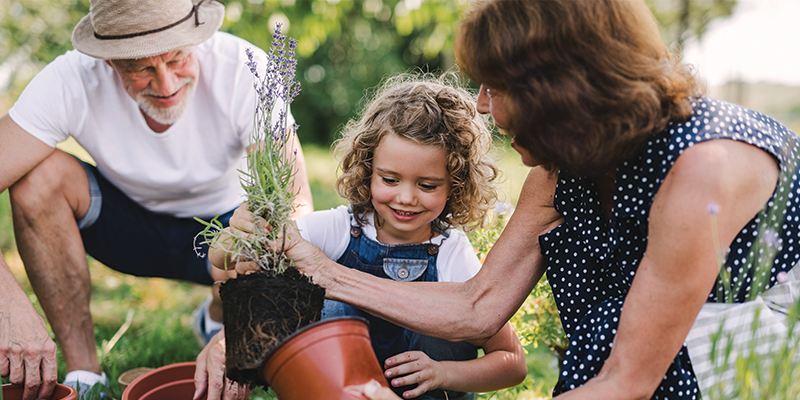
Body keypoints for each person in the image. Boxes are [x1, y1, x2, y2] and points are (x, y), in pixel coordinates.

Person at [214, 1, 800, 399]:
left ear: (559, 91)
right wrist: (254, 318)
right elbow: (478, 305)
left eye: (497, 86)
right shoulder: (566, 159)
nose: (483, 106)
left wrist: (325, 275)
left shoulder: (701, 171)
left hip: (759, 340)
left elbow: (627, 380)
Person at [0, 0, 313, 398]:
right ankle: (86, 373)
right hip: (126, 227)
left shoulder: (243, 68)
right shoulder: (71, 78)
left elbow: (297, 206)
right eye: (141, 68)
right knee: (36, 178)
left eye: (178, 58)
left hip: (225, 234)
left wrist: (240, 328)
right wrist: (7, 302)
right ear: (109, 61)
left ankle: (218, 315)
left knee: (268, 225)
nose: (166, 85)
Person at [196, 75, 527, 400]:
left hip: (424, 394)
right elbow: (226, 258)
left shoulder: (451, 252)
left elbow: (512, 363)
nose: (406, 197)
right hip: (337, 387)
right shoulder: (338, 228)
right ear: (368, 170)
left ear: (455, 184)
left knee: (447, 324)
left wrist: (444, 373)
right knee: (327, 304)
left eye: (427, 185)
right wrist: (237, 233)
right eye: (389, 179)